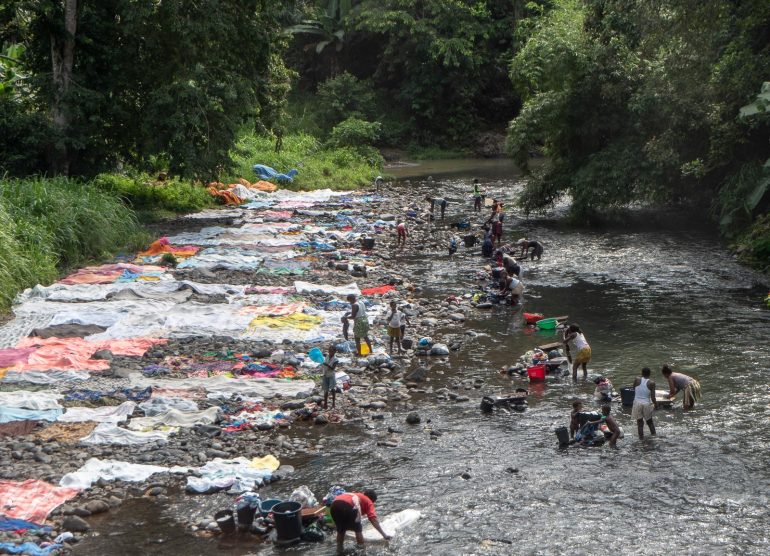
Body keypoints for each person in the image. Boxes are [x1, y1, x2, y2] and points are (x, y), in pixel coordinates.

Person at [632, 367, 657, 438]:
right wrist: (656, 405)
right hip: (646, 403)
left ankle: (641, 438)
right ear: (649, 374)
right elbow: (653, 397)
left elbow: (634, 388)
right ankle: (654, 436)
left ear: (642, 373)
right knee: (650, 422)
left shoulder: (636, 379)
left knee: (639, 423)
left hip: (637, 403)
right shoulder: (652, 383)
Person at [321, 345, 339, 409]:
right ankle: (325, 404)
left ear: (334, 352)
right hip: (325, 374)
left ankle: (333, 403)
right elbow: (320, 355)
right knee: (325, 390)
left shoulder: (336, 360)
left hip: (331, 375)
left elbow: (333, 368)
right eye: (329, 351)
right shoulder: (327, 356)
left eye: (331, 351)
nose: (330, 352)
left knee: (332, 389)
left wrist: (327, 365)